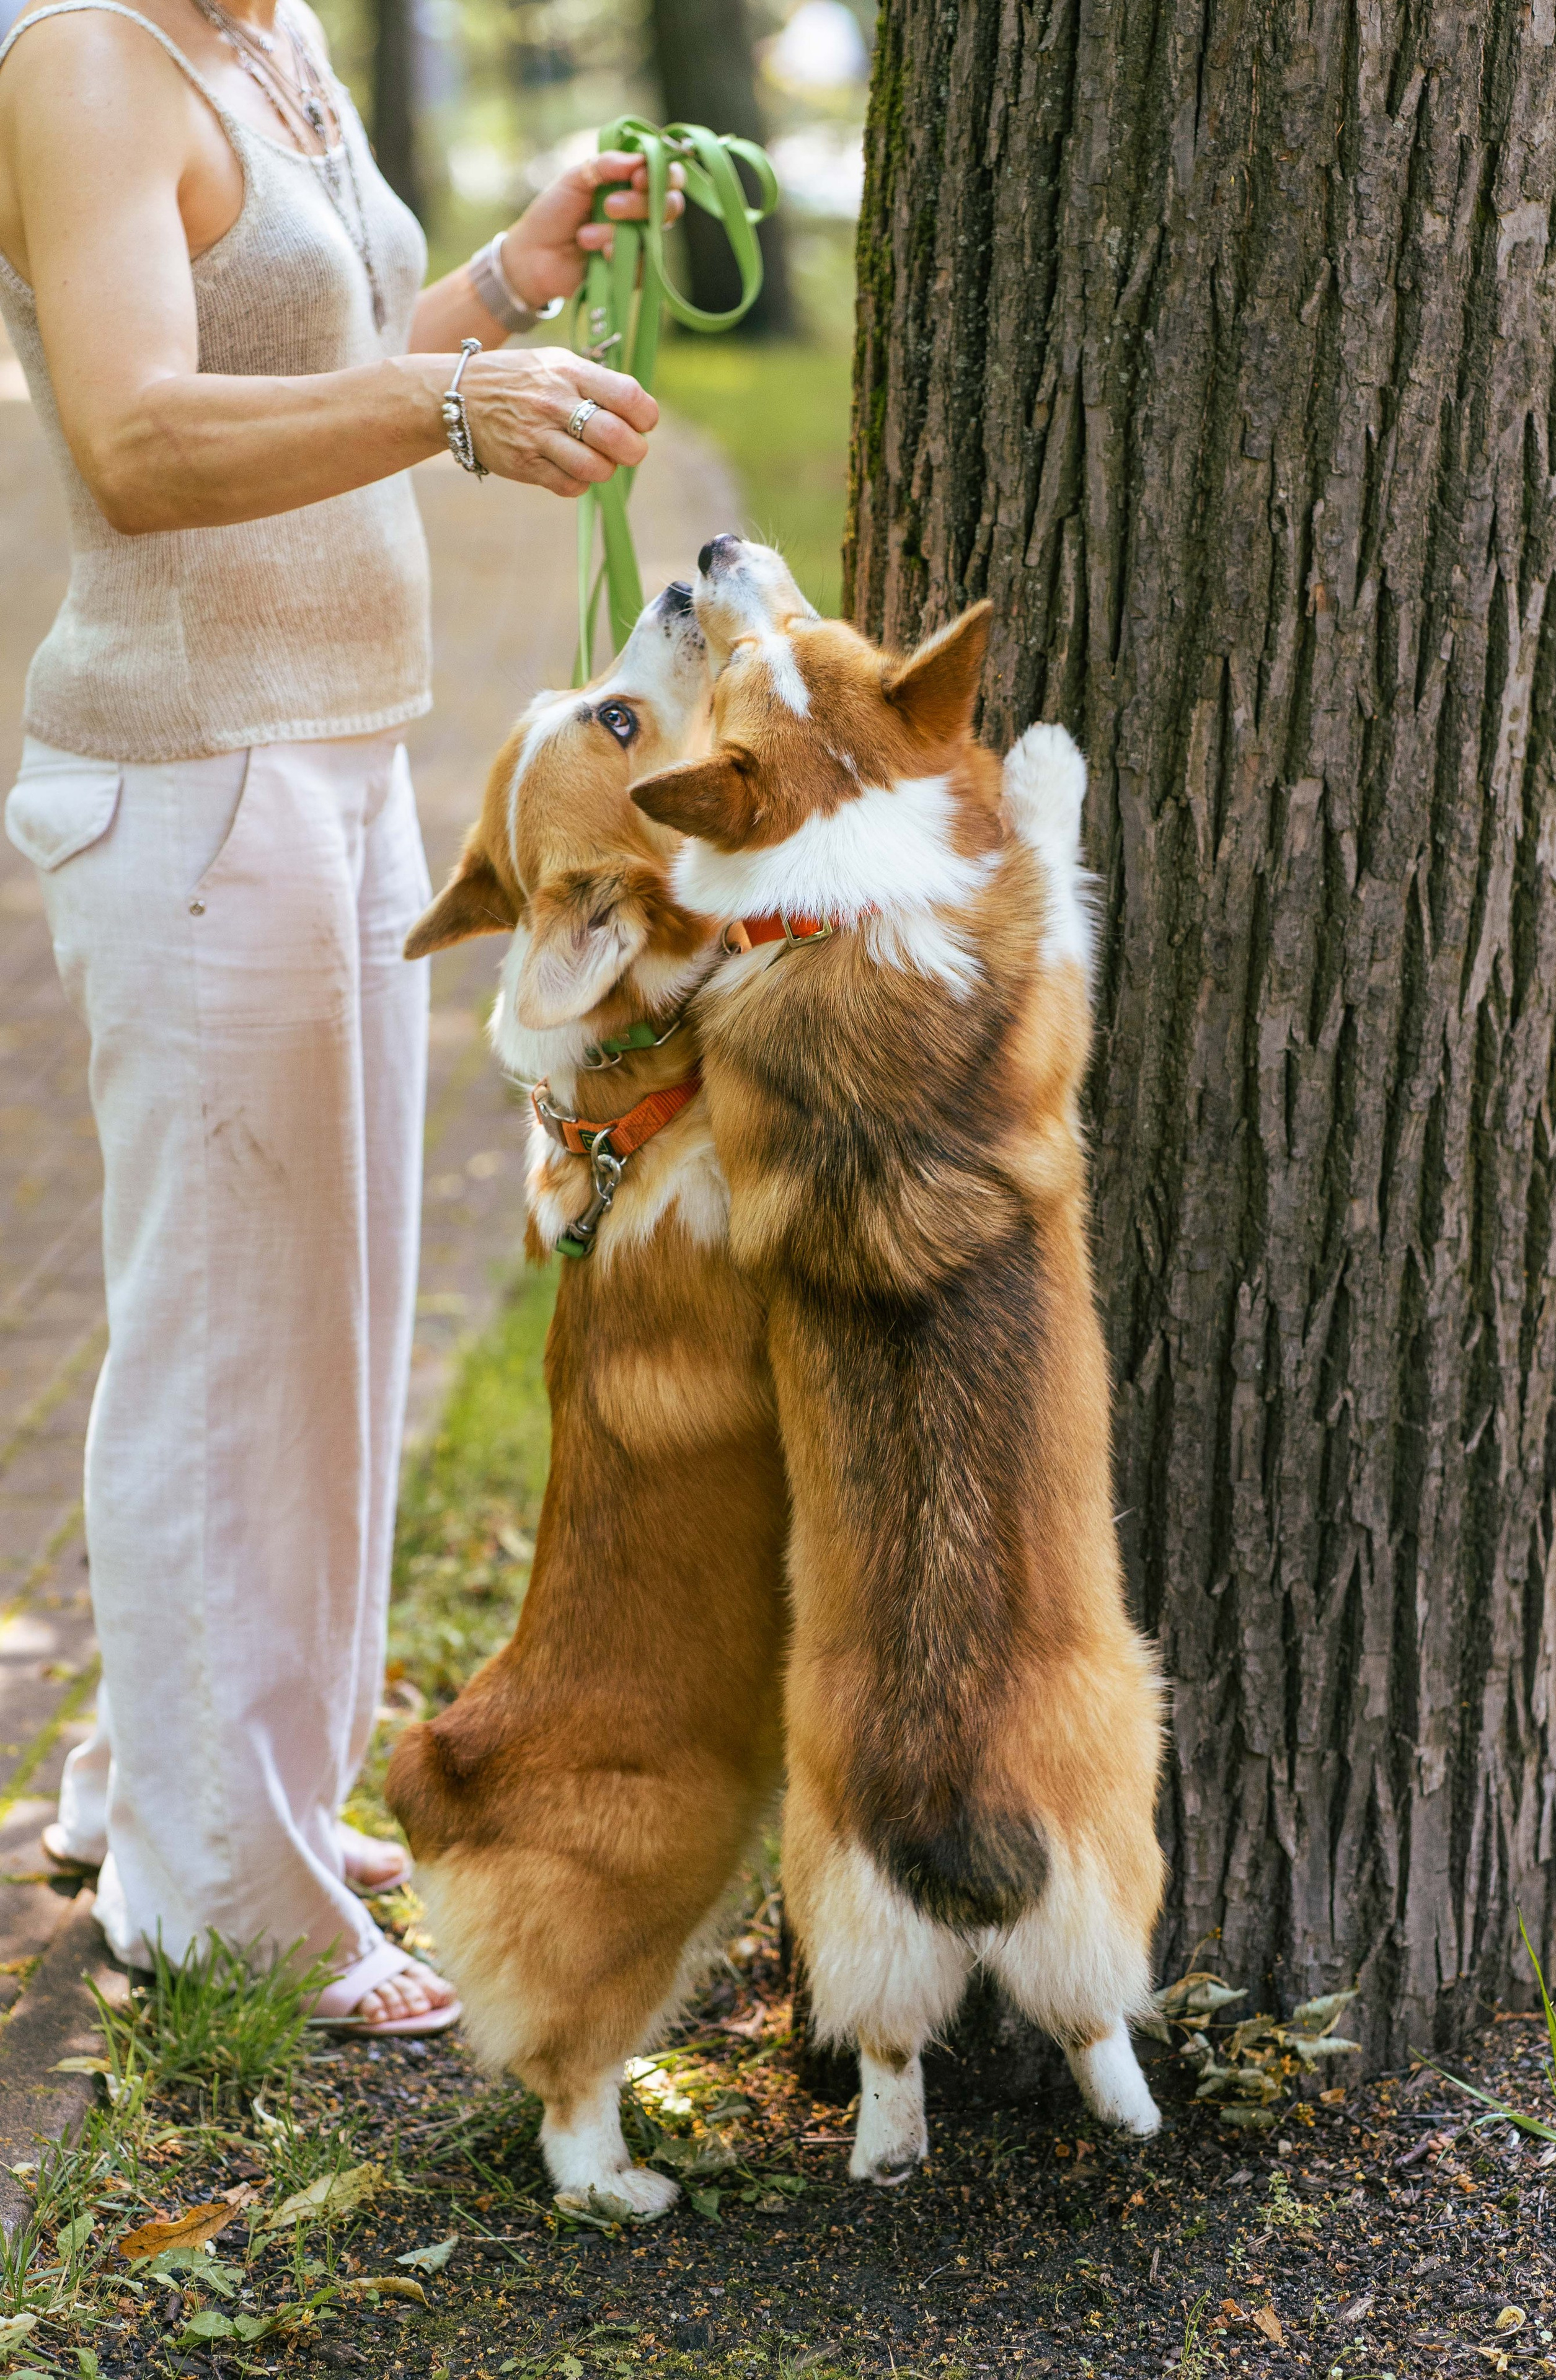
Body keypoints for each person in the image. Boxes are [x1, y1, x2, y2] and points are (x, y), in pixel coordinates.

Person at [0, 0, 678, 2032]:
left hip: (334, 760)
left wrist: (498, 285)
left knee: (320, 1335)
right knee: (230, 1343)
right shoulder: (85, 62)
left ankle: (196, 1790)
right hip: (197, 771)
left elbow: (323, 370)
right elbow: (137, 444)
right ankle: (222, 1901)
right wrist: (462, 403)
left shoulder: (267, 29)